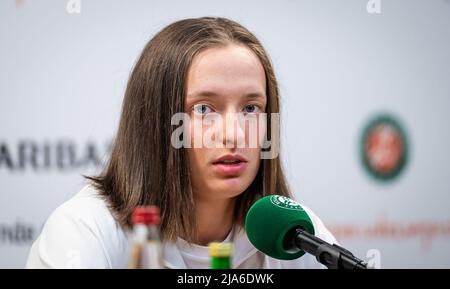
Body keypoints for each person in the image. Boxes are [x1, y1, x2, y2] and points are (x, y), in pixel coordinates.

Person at [26, 17, 337, 269]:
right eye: (204, 109)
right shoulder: (84, 230)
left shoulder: (294, 233)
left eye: (251, 108)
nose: (235, 134)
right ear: (156, 123)